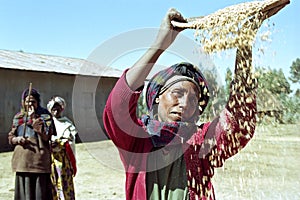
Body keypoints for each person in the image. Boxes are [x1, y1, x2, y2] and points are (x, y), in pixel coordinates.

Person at [103, 8, 268, 200]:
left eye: (193, 99)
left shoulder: (200, 141)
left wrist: (244, 46)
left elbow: (238, 123)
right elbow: (116, 106)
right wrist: (160, 43)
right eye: (177, 93)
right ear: (157, 97)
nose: (184, 104)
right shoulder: (137, 140)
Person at [8, 87, 55, 200]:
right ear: (23, 102)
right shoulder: (18, 117)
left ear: (38, 102)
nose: (30, 104)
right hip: (22, 162)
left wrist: (34, 119)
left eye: (33, 101)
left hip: (39, 162)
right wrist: (18, 139)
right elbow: (11, 137)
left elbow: (46, 136)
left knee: (40, 193)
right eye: (27, 101)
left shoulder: (45, 116)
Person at [47, 96, 78, 200]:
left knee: (65, 184)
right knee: (53, 184)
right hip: (51, 161)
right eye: (53, 109)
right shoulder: (47, 124)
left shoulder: (67, 124)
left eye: (58, 108)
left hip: (64, 161)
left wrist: (62, 143)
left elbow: (71, 140)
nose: (56, 111)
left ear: (62, 109)